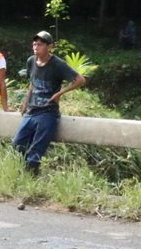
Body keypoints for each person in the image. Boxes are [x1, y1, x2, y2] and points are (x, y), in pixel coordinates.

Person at [12, 31, 86, 175]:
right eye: (34, 44)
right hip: (32, 110)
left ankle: (30, 177)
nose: (36, 47)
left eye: (40, 44)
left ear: (49, 47)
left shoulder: (58, 64)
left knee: (36, 150)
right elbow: (32, 83)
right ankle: (19, 174)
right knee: (17, 143)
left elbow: (80, 80)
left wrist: (60, 93)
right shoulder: (31, 61)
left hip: (47, 113)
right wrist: (25, 102)